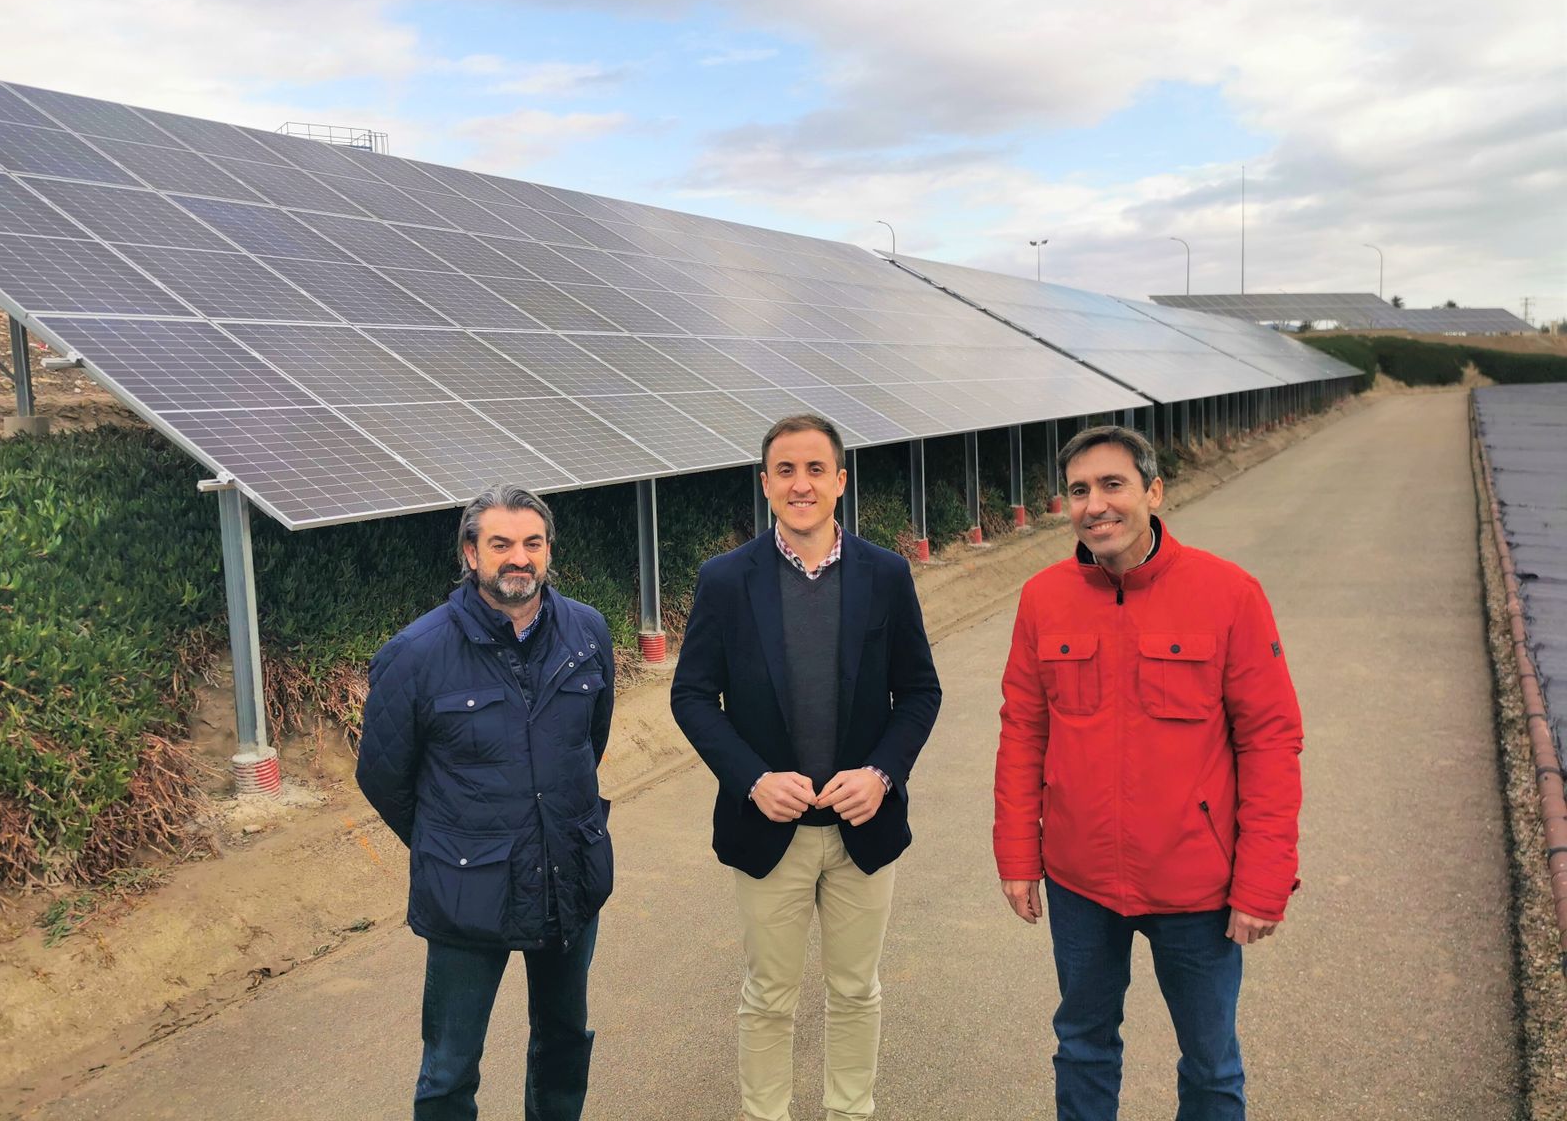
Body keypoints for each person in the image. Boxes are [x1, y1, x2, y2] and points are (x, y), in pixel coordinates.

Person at [994, 424, 1302, 1121]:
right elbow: (1022, 734)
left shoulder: (1229, 594)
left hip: (1197, 886)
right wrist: (1017, 854)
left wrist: (1263, 878)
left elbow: (1271, 741)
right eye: (1078, 491)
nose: (1095, 505)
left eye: (1113, 485)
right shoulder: (1044, 599)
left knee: (1211, 1064)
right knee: (1082, 1046)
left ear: (1153, 492)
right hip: (1081, 884)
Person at [672, 414, 942, 1121]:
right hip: (768, 831)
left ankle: (850, 1111)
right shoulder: (726, 580)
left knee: (856, 990)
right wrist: (753, 779)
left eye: (816, 470)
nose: (801, 484)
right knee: (768, 996)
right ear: (765, 484)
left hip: (864, 826)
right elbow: (692, 695)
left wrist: (881, 773)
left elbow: (920, 691)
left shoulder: (886, 574)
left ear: (840, 482)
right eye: (786, 471)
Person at [357, 484, 615, 1121]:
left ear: (549, 550)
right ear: (470, 554)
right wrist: (453, 844)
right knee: (449, 1068)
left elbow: (591, 741)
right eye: (500, 544)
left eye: (532, 543)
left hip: (567, 878)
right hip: (467, 895)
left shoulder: (587, 631)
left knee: (563, 1041)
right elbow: (383, 776)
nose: (518, 557)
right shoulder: (415, 653)